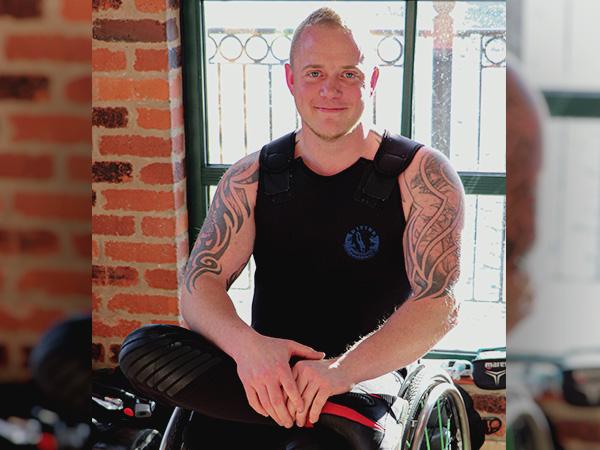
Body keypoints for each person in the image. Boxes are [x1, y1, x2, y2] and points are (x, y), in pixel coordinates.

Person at [119, 7, 482, 449]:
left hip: (364, 378)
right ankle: (299, 408)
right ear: (291, 81)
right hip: (260, 376)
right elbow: (201, 283)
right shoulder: (251, 176)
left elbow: (438, 302)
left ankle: (325, 412)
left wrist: (337, 371)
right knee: (141, 349)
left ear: (372, 82)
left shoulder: (421, 176)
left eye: (349, 74)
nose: (330, 89)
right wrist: (250, 350)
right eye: (314, 73)